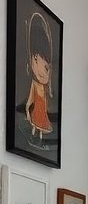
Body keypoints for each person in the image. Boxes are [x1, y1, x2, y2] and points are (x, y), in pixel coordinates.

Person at [25, 12, 54, 142]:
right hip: (37, 110)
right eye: (36, 59)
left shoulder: (44, 86)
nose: (41, 70)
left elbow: (45, 100)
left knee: (41, 124)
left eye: (46, 67)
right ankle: (34, 136)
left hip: (41, 110)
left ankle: (40, 138)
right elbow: (31, 98)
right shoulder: (35, 83)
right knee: (36, 123)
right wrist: (27, 107)